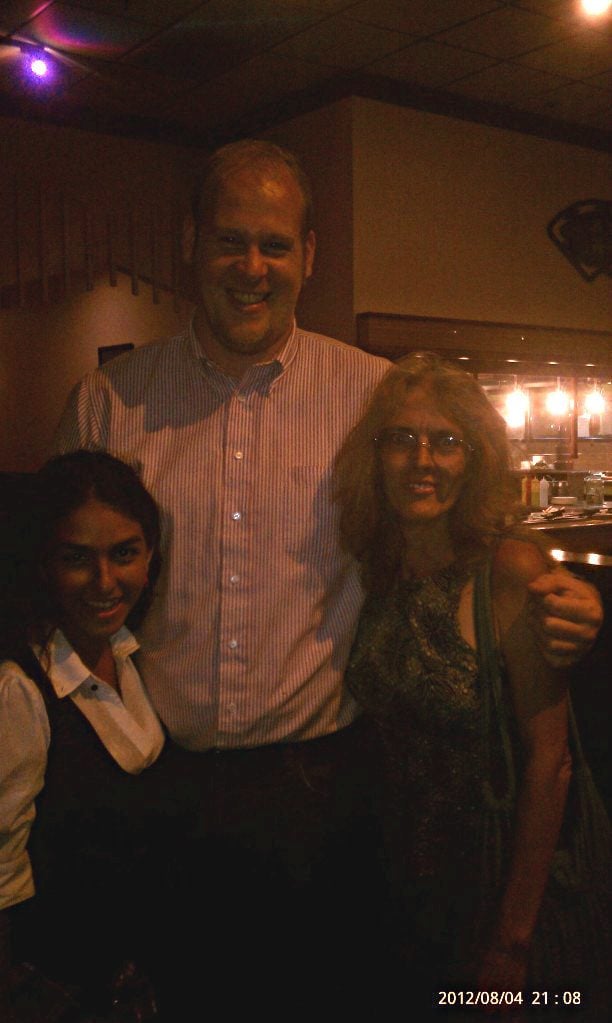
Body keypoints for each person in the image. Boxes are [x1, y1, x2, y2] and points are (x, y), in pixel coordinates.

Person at [52, 139, 604, 1011]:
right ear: (191, 242)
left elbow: (449, 520)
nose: (252, 267)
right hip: (160, 786)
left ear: (308, 255)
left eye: (274, 245)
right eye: (230, 241)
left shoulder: (371, 398)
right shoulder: (109, 402)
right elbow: (59, 578)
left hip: (324, 800)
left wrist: (560, 594)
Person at [337, 353, 611, 1020]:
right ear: (375, 456)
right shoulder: (377, 567)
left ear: (476, 459)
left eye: (447, 441)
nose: (422, 459)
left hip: (499, 880)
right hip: (403, 883)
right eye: (402, 438)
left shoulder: (509, 570)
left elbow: (551, 763)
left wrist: (512, 941)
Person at [0, 450, 171, 1020]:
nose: (104, 581)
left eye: (124, 554)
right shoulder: (18, 688)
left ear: (150, 556)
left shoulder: (131, 655)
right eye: (77, 558)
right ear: (42, 563)